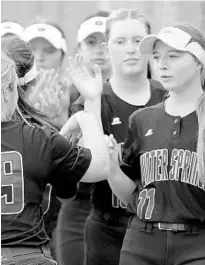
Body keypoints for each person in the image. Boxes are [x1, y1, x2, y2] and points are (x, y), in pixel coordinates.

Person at [58, 8, 165, 265]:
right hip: (107, 227)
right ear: (107, 48)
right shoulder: (93, 99)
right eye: (121, 41)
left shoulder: (168, 97)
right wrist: (92, 101)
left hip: (159, 230)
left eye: (138, 40)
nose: (131, 49)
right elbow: (87, 168)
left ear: (151, 46)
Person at [105, 24, 205, 265]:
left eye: (173, 56)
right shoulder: (141, 119)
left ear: (199, 62)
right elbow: (131, 194)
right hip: (142, 240)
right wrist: (110, 167)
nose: (162, 64)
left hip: (198, 243)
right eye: (157, 57)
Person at [1, 51, 110, 265]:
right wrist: (86, 118)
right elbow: (101, 166)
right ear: (7, 92)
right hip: (25, 256)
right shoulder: (36, 137)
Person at [56, 10, 111, 265]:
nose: (100, 50)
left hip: (130, 213)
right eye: (91, 42)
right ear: (79, 48)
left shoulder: (155, 94)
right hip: (80, 205)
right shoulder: (63, 97)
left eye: (106, 42)